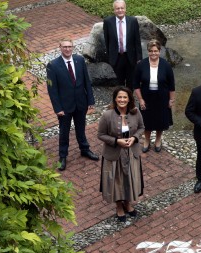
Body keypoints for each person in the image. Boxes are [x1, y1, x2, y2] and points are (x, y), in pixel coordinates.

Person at [47, 38, 99, 171]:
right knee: (64, 132)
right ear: (60, 47)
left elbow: (87, 81)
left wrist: (90, 101)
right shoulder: (53, 65)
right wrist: (57, 108)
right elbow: (52, 90)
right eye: (64, 47)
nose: (67, 49)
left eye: (70, 46)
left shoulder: (79, 60)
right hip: (64, 107)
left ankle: (84, 149)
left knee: (81, 128)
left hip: (81, 103)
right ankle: (63, 156)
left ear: (73, 47)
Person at [97, 87, 145, 222]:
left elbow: (142, 128)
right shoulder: (107, 115)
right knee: (116, 181)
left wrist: (134, 138)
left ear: (129, 99)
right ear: (115, 99)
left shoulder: (136, 113)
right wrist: (116, 141)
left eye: (125, 97)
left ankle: (127, 203)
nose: (122, 100)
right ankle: (119, 206)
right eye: (119, 97)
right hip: (114, 154)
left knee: (129, 178)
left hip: (131, 152)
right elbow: (100, 135)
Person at [133, 39, 176, 153]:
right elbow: (136, 85)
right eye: (151, 51)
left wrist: (171, 100)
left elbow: (171, 85)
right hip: (146, 98)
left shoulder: (166, 65)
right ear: (148, 51)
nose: (153, 53)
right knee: (146, 121)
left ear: (159, 51)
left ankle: (158, 140)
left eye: (155, 51)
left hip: (162, 98)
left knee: (160, 121)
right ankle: (146, 140)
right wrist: (140, 99)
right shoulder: (141, 65)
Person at [103, 0, 142, 87]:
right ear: (114, 10)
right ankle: (120, 99)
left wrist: (139, 58)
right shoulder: (108, 22)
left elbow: (137, 40)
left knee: (131, 82)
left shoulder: (132, 21)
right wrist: (110, 57)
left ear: (125, 9)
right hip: (116, 57)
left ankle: (129, 99)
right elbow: (107, 40)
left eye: (122, 8)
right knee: (119, 82)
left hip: (130, 56)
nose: (120, 10)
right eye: (117, 8)